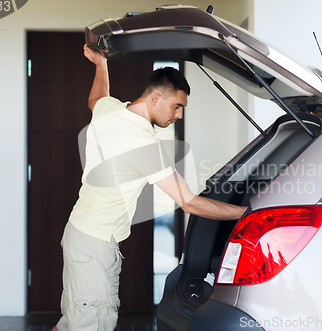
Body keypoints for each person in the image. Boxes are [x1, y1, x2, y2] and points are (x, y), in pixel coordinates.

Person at [52, 45, 247, 331]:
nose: (178, 115)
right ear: (156, 98)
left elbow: (97, 98)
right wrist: (247, 213)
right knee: (90, 324)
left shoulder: (111, 111)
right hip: (95, 245)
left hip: (78, 234)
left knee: (72, 322)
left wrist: (101, 64)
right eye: (176, 106)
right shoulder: (143, 143)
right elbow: (189, 203)